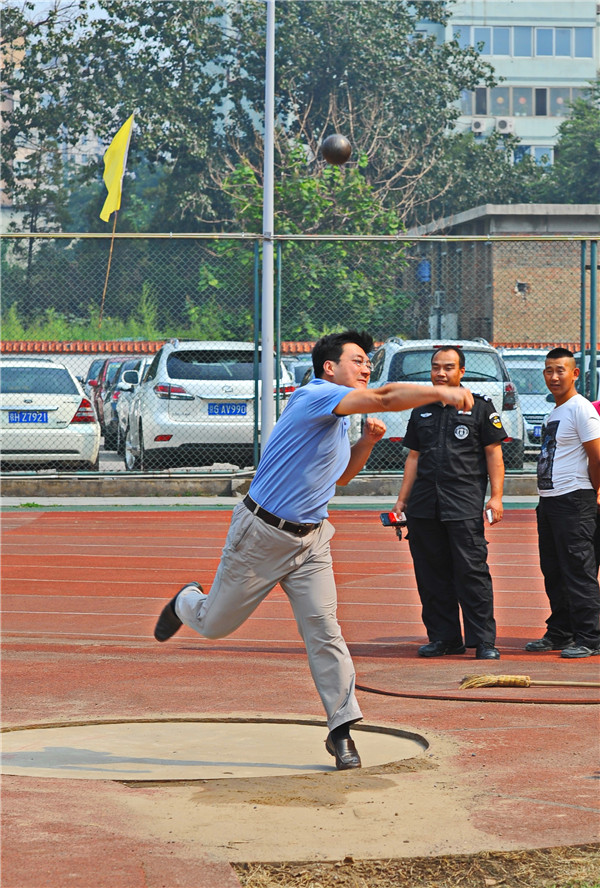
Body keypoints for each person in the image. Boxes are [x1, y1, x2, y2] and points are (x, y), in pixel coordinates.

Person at [154, 331, 474, 770]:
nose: (366, 368)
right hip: (262, 534)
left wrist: (367, 442)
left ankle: (340, 730)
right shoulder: (315, 396)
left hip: (312, 540)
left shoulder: (339, 416)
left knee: (325, 631)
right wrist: (444, 391)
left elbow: (339, 478)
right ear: (330, 367)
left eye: (368, 363)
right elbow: (383, 397)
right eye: (358, 360)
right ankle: (185, 600)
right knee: (214, 625)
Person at [392, 346, 506, 660]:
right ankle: (444, 638)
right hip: (424, 506)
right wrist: (402, 501)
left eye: (448, 367)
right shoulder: (421, 409)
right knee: (431, 575)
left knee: (472, 573)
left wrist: (495, 497)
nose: (441, 373)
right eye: (436, 367)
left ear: (461, 371)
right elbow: (413, 458)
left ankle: (483, 641)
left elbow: (494, 455)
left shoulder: (480, 407)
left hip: (463, 504)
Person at [526, 348, 600, 658]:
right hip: (550, 502)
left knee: (578, 571)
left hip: (576, 501)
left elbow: (596, 455)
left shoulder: (582, 409)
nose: (553, 376)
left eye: (560, 370)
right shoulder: (555, 411)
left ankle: (591, 637)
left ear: (574, 374)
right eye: (548, 370)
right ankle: (560, 631)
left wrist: (597, 492)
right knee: (553, 571)